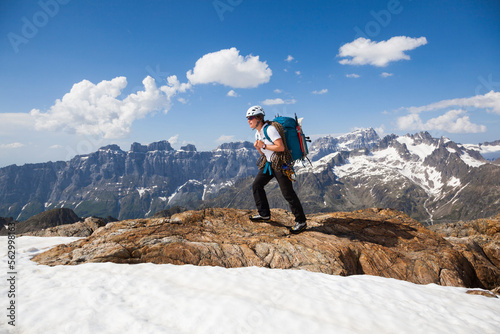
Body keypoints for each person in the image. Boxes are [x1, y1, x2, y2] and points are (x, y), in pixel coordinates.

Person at [246, 105, 307, 233]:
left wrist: (263, 145)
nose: (248, 120)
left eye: (250, 117)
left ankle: (301, 221)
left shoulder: (270, 129)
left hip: (280, 164)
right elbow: (264, 153)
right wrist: (259, 148)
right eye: (247, 118)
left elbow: (281, 147)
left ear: (258, 118)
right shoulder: (258, 133)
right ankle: (264, 214)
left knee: (288, 193)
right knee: (257, 185)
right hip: (269, 164)